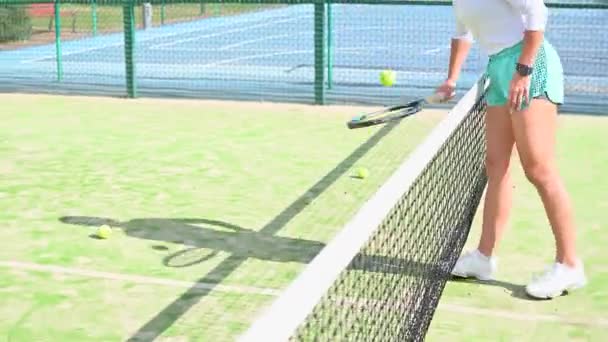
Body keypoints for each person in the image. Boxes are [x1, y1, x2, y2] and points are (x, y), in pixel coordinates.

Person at [436, 0, 587, 299]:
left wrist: (524, 69)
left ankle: (569, 263)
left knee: (539, 168)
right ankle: (483, 257)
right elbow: (463, 33)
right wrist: (451, 79)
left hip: (529, 64)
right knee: (496, 166)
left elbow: (537, 12)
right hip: (499, 68)